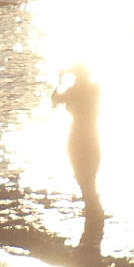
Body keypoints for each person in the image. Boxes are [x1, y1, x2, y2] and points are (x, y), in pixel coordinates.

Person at [51, 62, 104, 219]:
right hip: (92, 135)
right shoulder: (94, 89)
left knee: (81, 174)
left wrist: (60, 80)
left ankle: (92, 210)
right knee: (89, 175)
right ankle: (93, 210)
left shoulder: (74, 91)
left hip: (78, 135)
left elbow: (54, 101)